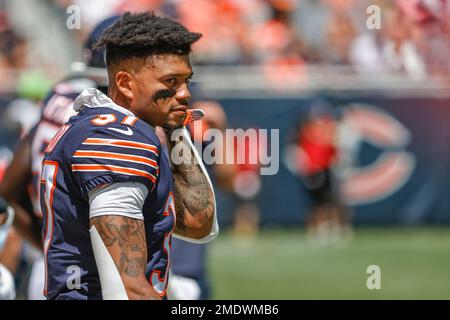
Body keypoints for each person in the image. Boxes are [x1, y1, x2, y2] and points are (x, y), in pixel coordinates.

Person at [40, 11, 217, 300]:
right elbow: (126, 290)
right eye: (171, 81)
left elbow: (198, 223)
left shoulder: (123, 128)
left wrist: (175, 129)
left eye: (186, 81)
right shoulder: (118, 139)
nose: (184, 93)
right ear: (125, 83)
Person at [0, 16, 119, 300]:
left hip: (53, 267)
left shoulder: (59, 95)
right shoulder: (108, 117)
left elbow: (9, 190)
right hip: (98, 276)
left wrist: (49, 247)